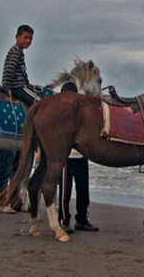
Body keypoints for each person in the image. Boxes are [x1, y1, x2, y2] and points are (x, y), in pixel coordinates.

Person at [0, 24, 38, 213]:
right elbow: (9, 72)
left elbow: (21, 72)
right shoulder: (15, 52)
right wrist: (7, 89)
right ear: (17, 37)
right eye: (25, 38)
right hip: (15, 87)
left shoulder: (20, 52)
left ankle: (13, 200)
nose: (27, 41)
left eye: (30, 39)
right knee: (39, 103)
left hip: (21, 85)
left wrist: (28, 82)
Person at [57, 82, 98, 233]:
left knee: (83, 190)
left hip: (81, 155)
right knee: (65, 192)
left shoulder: (81, 111)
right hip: (66, 157)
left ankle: (82, 219)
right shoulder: (59, 113)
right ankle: (63, 220)